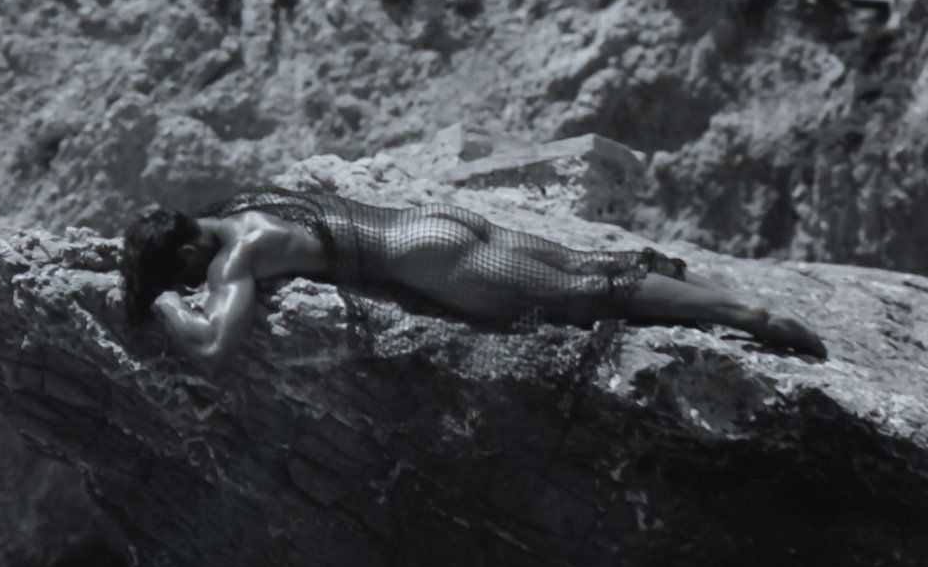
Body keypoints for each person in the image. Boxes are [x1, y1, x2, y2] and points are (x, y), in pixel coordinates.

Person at [120, 186, 827, 373]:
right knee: (590, 269)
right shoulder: (243, 207)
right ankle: (731, 304)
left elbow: (213, 346)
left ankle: (749, 318)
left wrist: (167, 308)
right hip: (433, 224)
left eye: (182, 272)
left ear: (186, 254)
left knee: (592, 297)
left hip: (432, 263)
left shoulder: (234, 256)